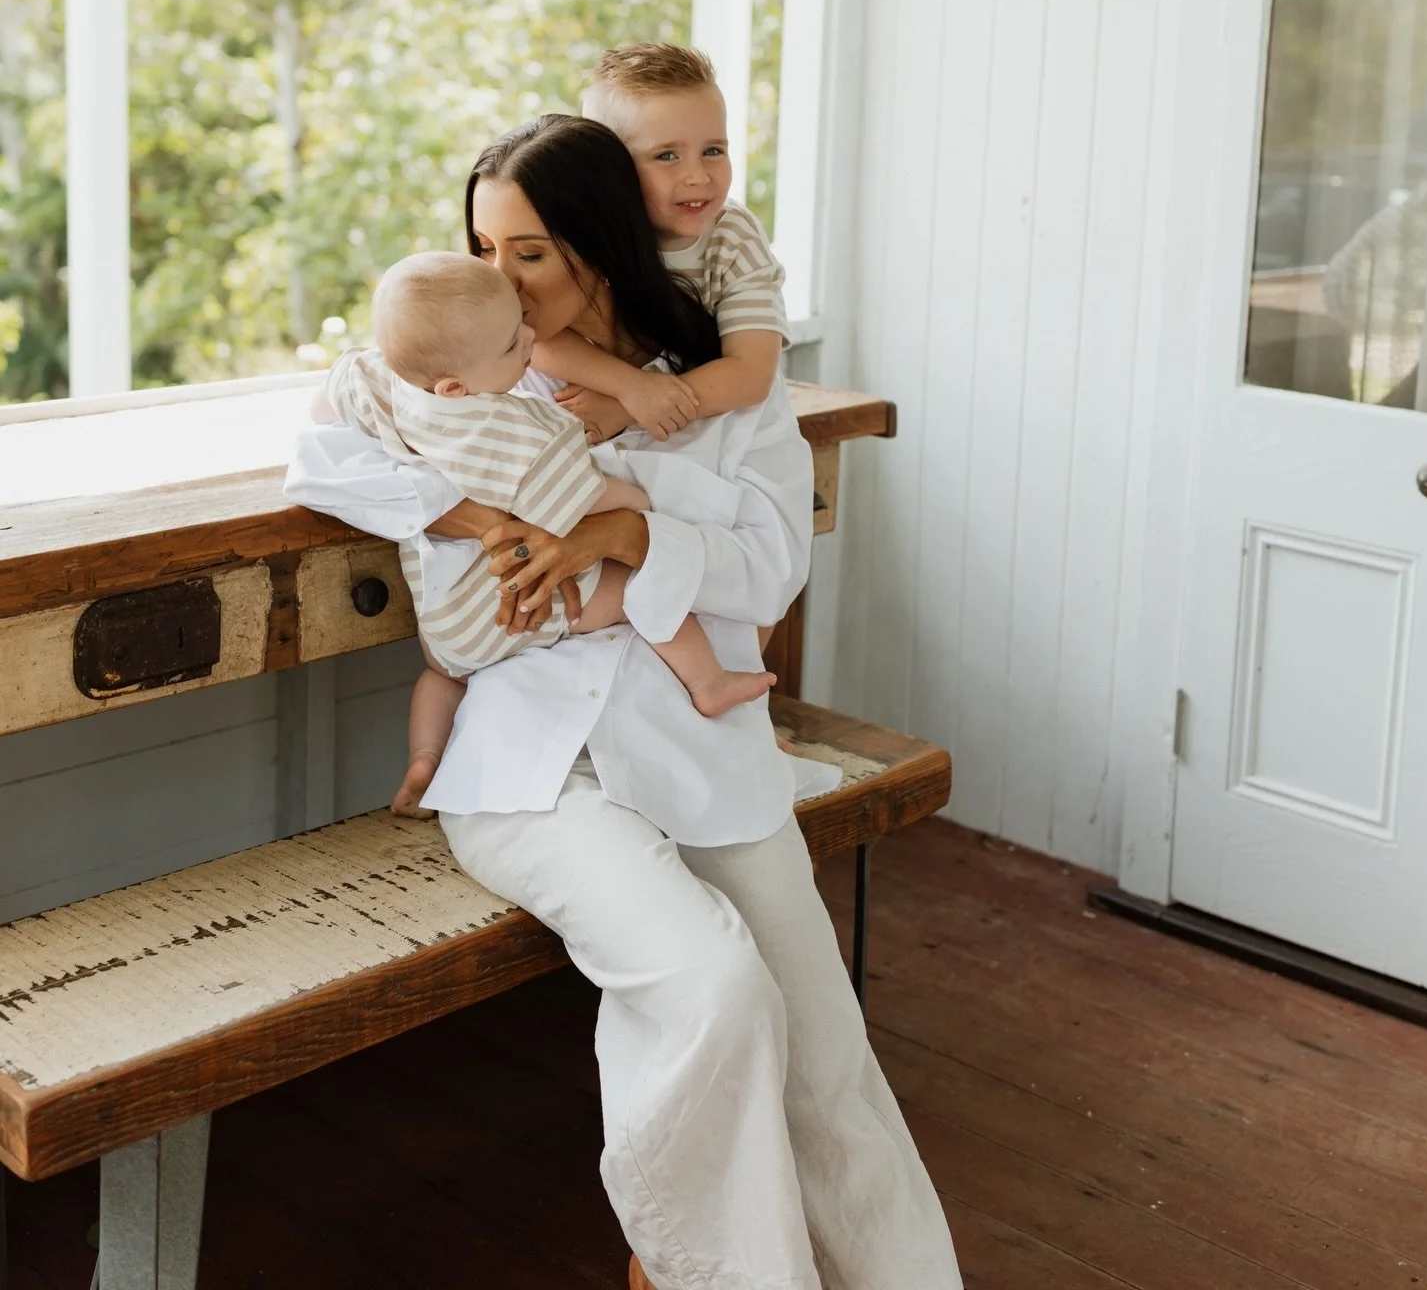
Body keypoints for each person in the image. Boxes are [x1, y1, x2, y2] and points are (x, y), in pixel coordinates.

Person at [289, 114, 964, 1290]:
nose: (503, 279)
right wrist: (470, 516)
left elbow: (770, 564)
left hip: (700, 744)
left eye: (531, 253)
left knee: (825, 1058)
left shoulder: (717, 387)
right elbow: (321, 458)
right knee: (712, 986)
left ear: (600, 245)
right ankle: (707, 1269)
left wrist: (629, 526)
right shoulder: (471, 374)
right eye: (486, 249)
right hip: (532, 768)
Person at [311, 251, 774, 814]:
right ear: (456, 388)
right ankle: (709, 683)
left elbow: (327, 400)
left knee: (442, 676)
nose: (530, 335)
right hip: (508, 604)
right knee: (641, 583)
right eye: (512, 342)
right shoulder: (519, 433)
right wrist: (635, 502)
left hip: (443, 619)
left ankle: (425, 760)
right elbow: (586, 504)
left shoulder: (378, 379)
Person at [532, 43, 788, 446]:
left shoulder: (732, 237)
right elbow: (535, 336)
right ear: (610, 169)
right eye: (667, 155)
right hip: (594, 411)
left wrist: (630, 404)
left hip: (708, 423)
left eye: (713, 151)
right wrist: (628, 386)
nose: (698, 176)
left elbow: (751, 373)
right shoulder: (582, 232)